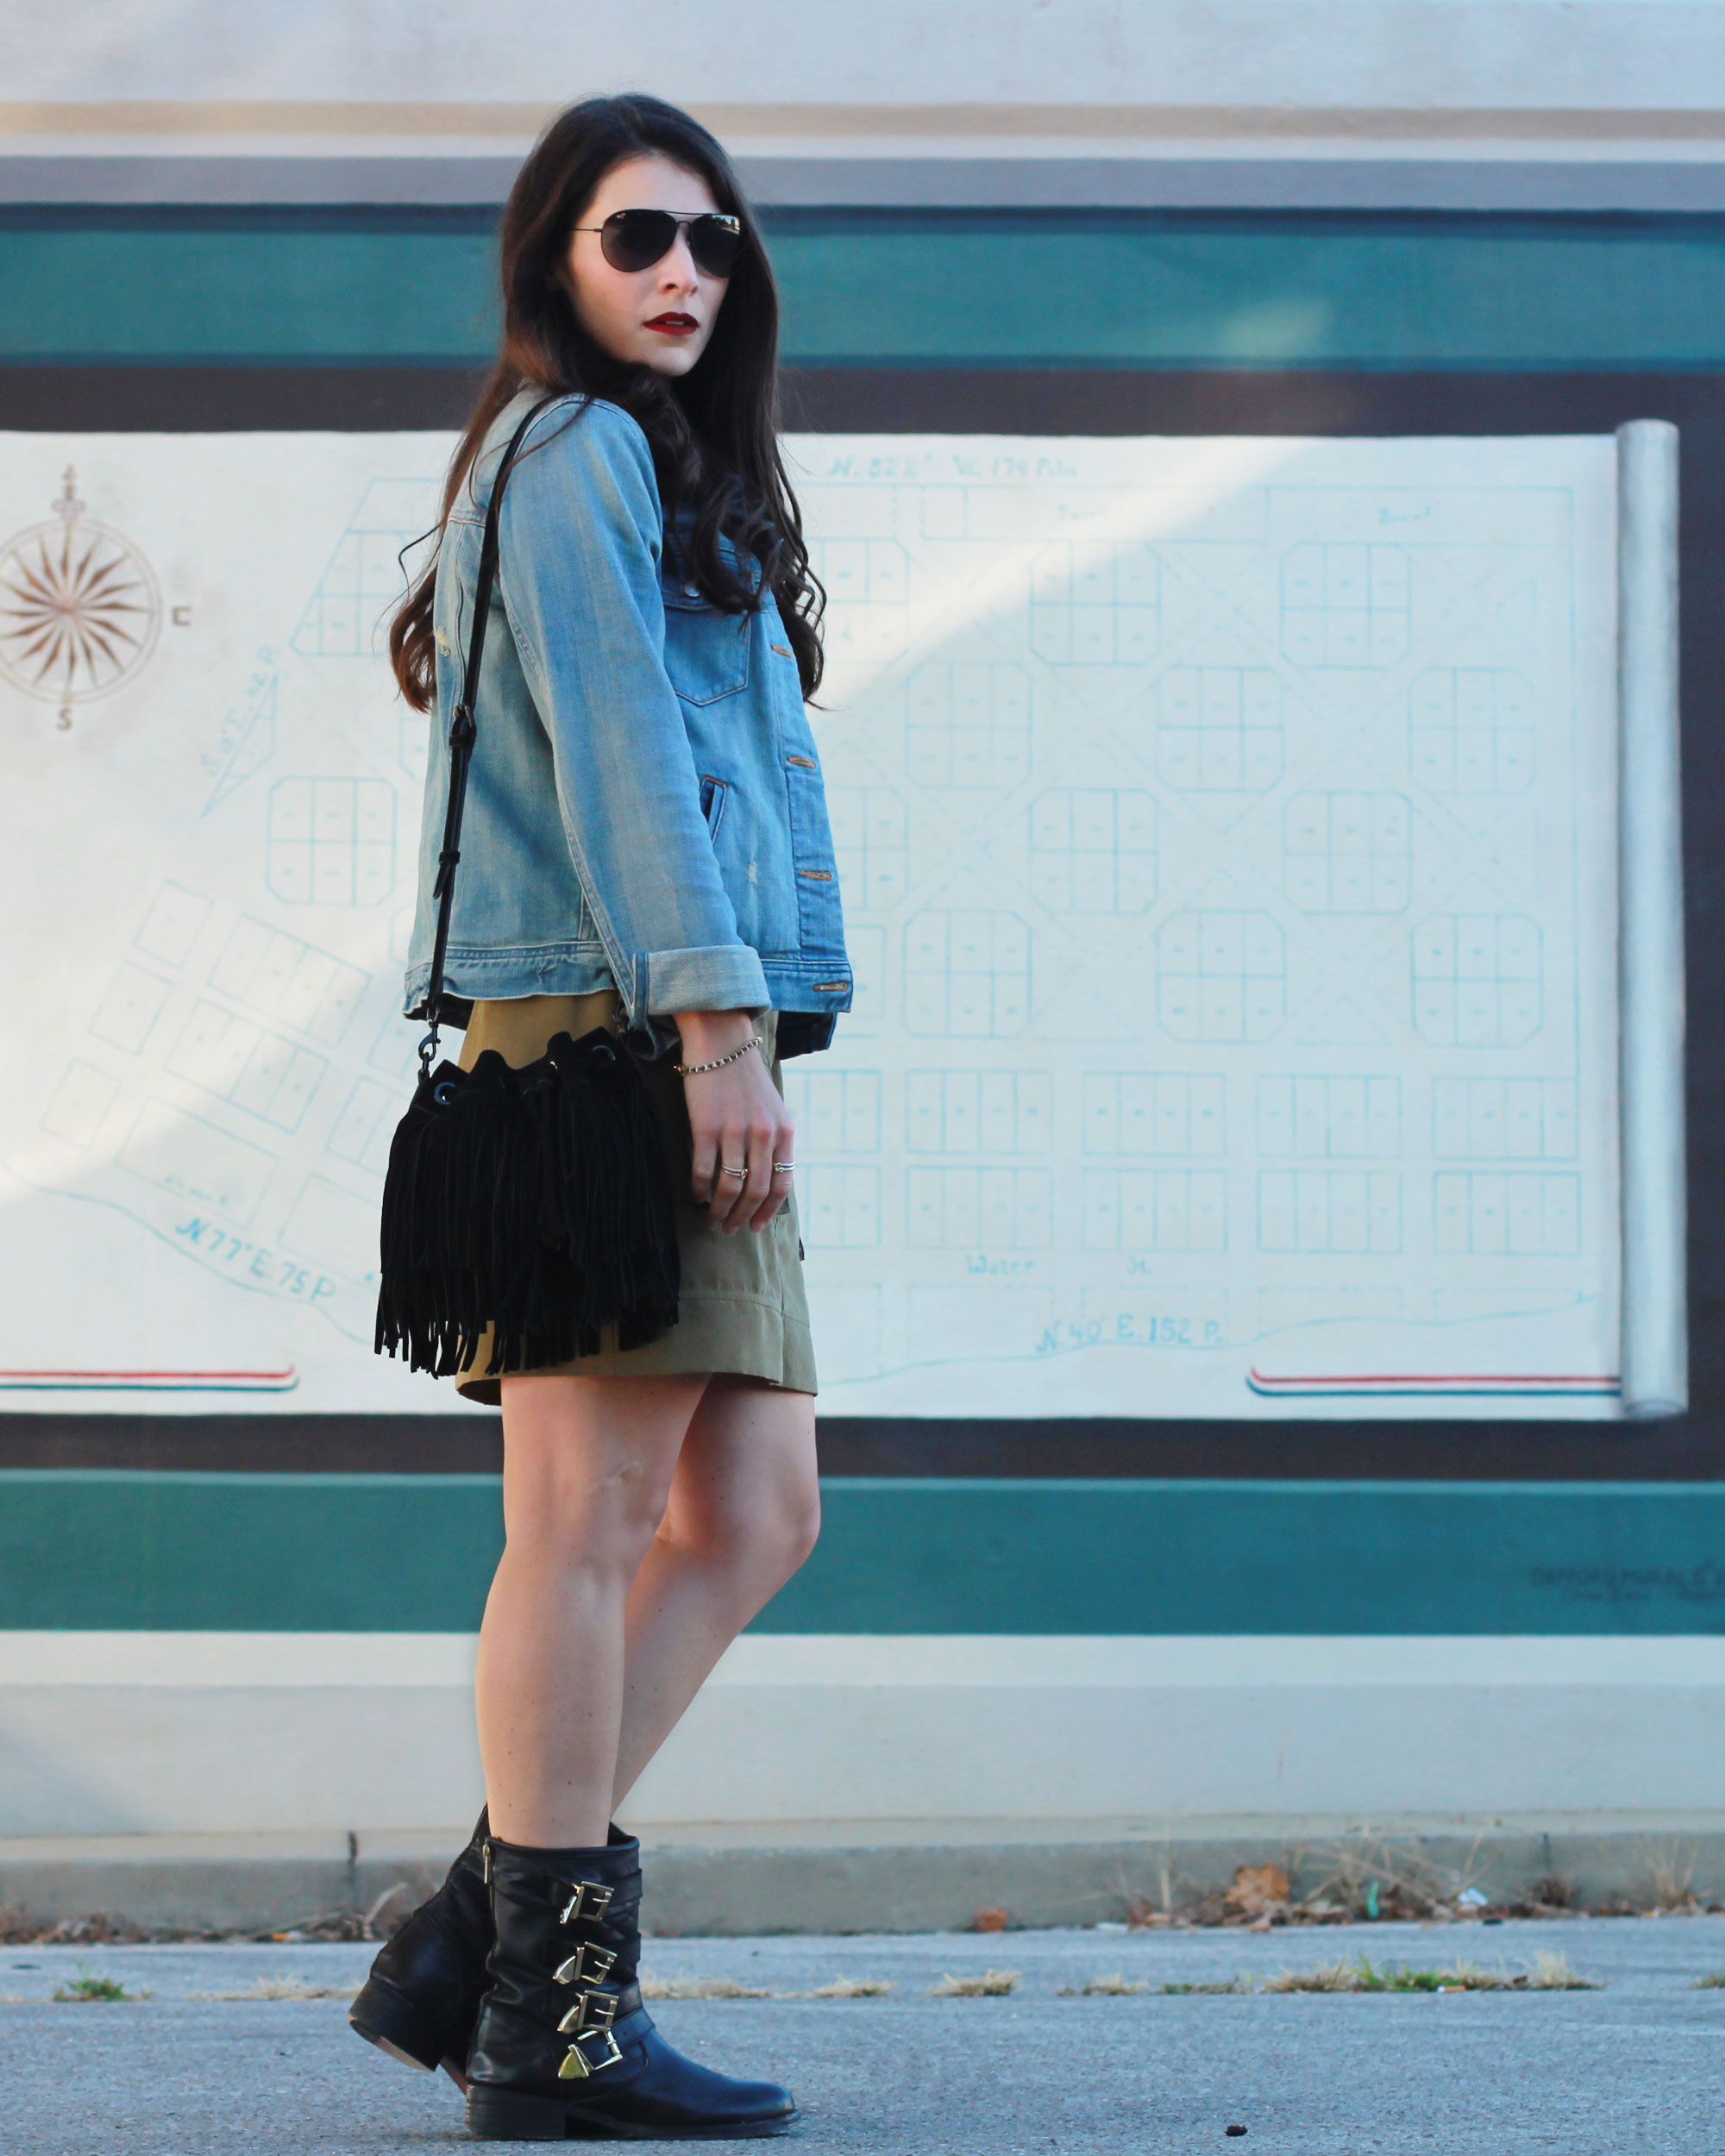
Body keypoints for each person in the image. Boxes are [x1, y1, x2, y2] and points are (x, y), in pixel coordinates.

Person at [348, 92, 850, 2141]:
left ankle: (477, 1936)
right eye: (638, 234)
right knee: (585, 1520)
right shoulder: (567, 453)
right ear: (551, 255)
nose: (681, 273)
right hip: (621, 1027)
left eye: (715, 244)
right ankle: (545, 2018)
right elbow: (629, 753)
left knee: (754, 1510)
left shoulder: (651, 463)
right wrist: (716, 1026)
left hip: (667, 1017)